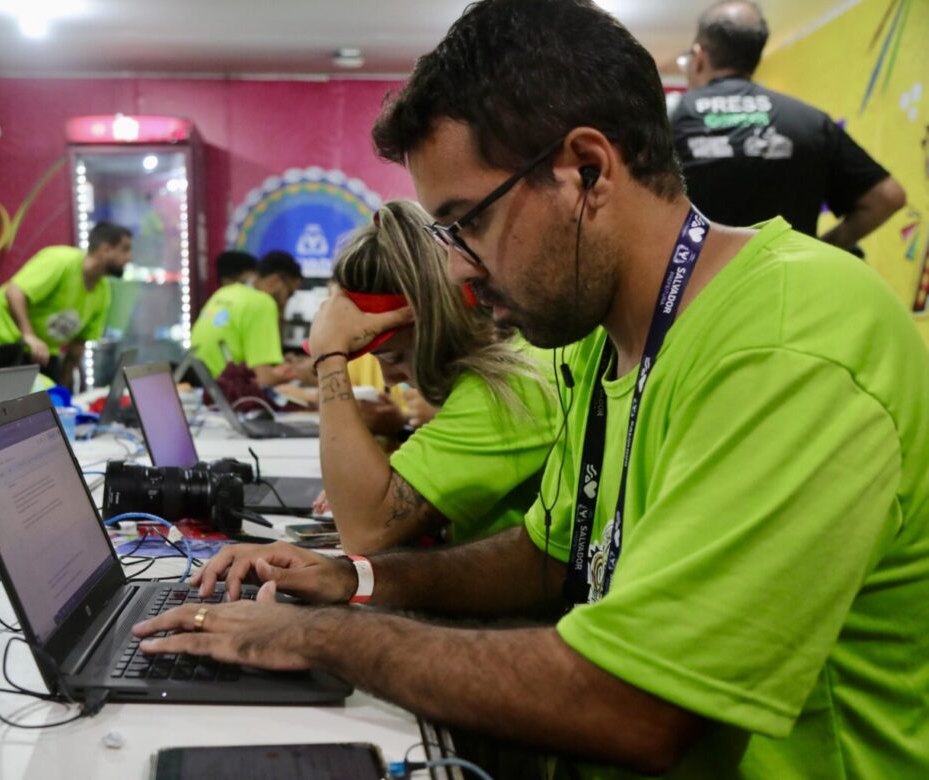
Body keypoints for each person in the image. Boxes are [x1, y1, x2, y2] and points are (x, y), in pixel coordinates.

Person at [131, 1, 929, 776]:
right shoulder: (603, 340)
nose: (458, 268)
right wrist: (359, 578)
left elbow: (640, 707)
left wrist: (319, 637)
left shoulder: (790, 341)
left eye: (468, 222)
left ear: (586, 170)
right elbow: (556, 556)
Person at [311, 199, 559, 553]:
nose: (390, 379)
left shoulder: (507, 389)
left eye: (394, 356)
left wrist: (329, 356)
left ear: (433, 325)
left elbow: (364, 532)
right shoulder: (513, 364)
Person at [671, 0, 906, 250]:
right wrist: (823, 249)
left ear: (698, 57)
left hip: (697, 286)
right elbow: (887, 197)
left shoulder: (670, 118)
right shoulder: (811, 121)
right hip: (790, 283)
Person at [0, 222, 132, 384]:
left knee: (54, 398)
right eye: (125, 249)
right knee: (7, 400)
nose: (129, 258)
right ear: (105, 249)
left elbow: (78, 346)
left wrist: (65, 390)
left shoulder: (103, 292)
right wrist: (28, 335)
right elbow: (14, 293)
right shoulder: (60, 261)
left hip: (43, 348)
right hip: (4, 335)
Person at [189, 249, 303, 387]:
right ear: (276, 281)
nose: (286, 302)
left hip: (201, 385)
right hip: (229, 393)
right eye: (289, 293)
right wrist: (299, 372)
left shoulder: (225, 292)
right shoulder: (263, 303)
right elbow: (264, 380)